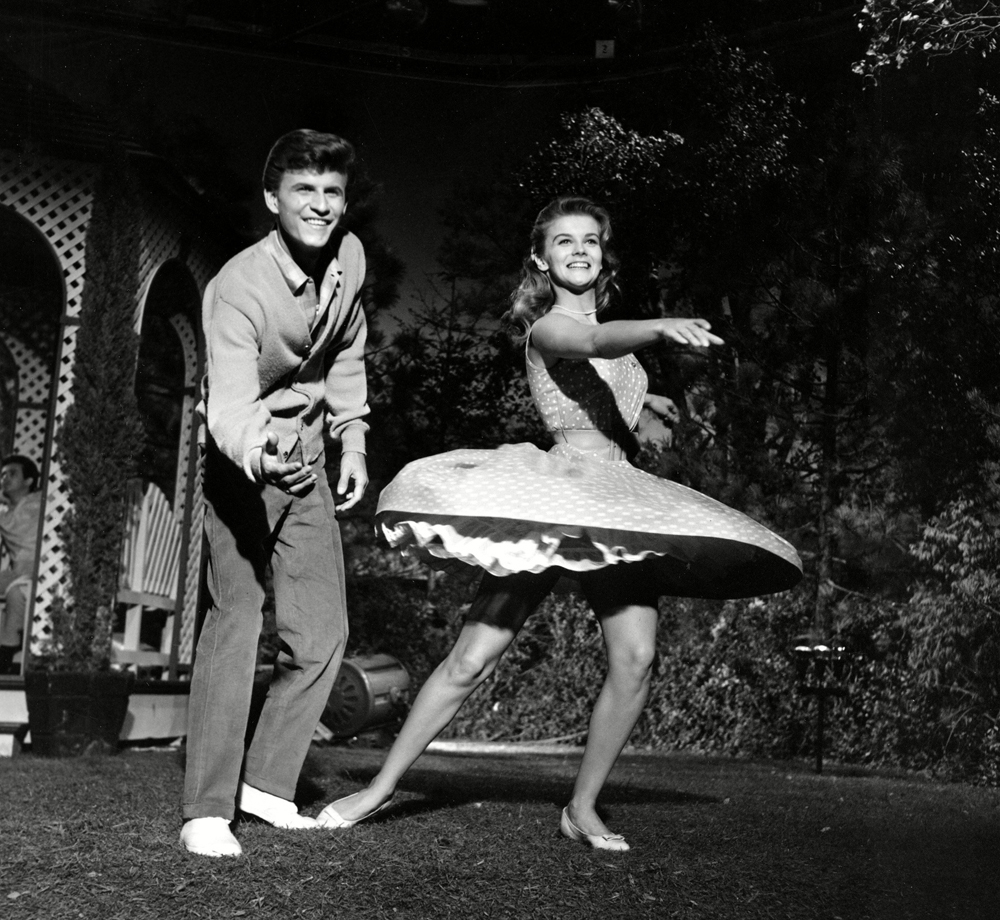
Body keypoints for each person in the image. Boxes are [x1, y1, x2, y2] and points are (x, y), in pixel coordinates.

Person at [316, 196, 801, 850]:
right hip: (553, 498)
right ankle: (378, 790)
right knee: (472, 658)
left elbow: (612, 380)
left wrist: (648, 406)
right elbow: (593, 341)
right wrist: (660, 325)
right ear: (542, 258)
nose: (578, 249)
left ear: (605, 256)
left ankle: (583, 807)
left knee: (636, 656)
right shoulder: (548, 326)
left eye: (591, 241)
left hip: (613, 503)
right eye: (563, 241)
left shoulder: (626, 354)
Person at [180, 129, 371, 858]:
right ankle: (206, 809)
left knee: (322, 634)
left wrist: (352, 440)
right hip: (245, 459)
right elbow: (226, 404)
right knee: (238, 617)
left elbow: (349, 347)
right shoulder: (236, 288)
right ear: (272, 200)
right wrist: (262, 454)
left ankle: (266, 784)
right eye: (304, 192)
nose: (320, 207)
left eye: (332, 194)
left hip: (314, 454)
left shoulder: (348, 258)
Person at [0, 454, 42, 676]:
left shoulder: (38, 503)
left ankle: (5, 655)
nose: (5, 478)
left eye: (12, 474)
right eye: (3, 475)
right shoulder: (9, 509)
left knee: (16, 592)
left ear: (28, 481)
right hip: (16, 572)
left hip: (38, 572)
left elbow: (17, 528)